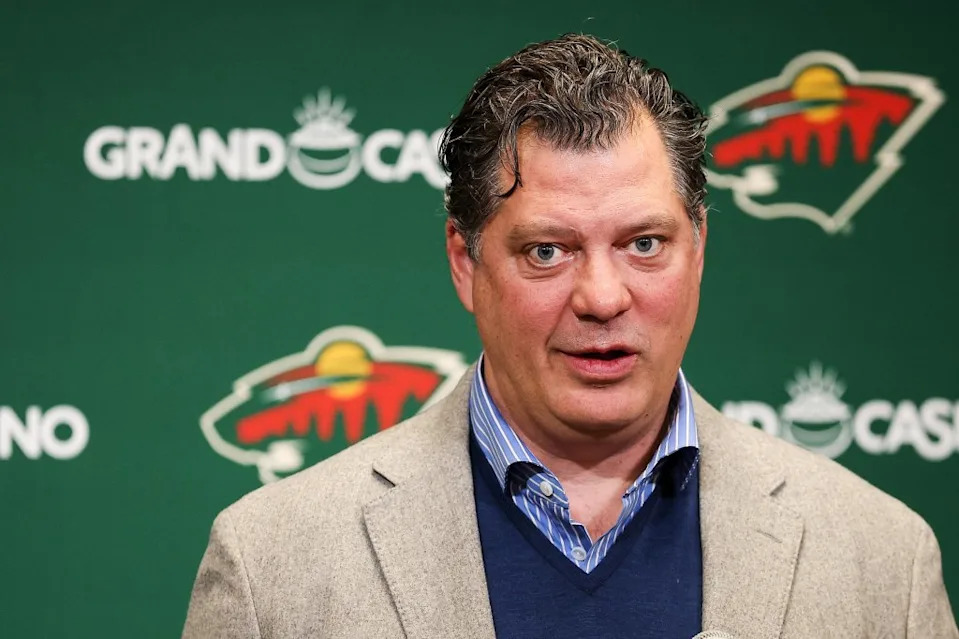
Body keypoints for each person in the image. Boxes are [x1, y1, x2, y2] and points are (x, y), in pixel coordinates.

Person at [182, 34, 957, 638]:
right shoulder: (272, 565)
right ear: (465, 261)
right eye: (546, 251)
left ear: (699, 247)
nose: (602, 296)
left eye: (644, 243)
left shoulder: (878, 557)